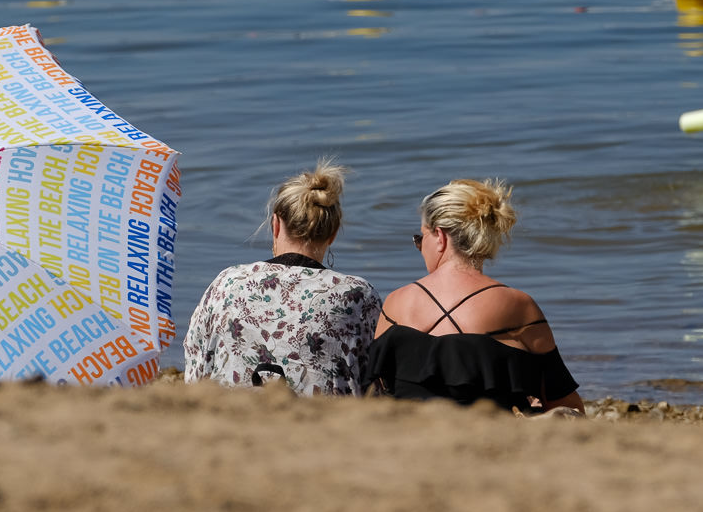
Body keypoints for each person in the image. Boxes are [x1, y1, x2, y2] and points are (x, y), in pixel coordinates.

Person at [365, 179, 582, 413]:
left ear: (440, 237)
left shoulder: (397, 301)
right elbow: (561, 397)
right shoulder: (518, 305)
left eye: (420, 237)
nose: (419, 247)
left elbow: (378, 389)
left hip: (410, 434)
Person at [184, 162, 380, 395]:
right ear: (333, 232)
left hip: (231, 419)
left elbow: (196, 368)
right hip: (326, 426)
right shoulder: (357, 294)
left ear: (275, 225)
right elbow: (374, 381)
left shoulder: (228, 282)